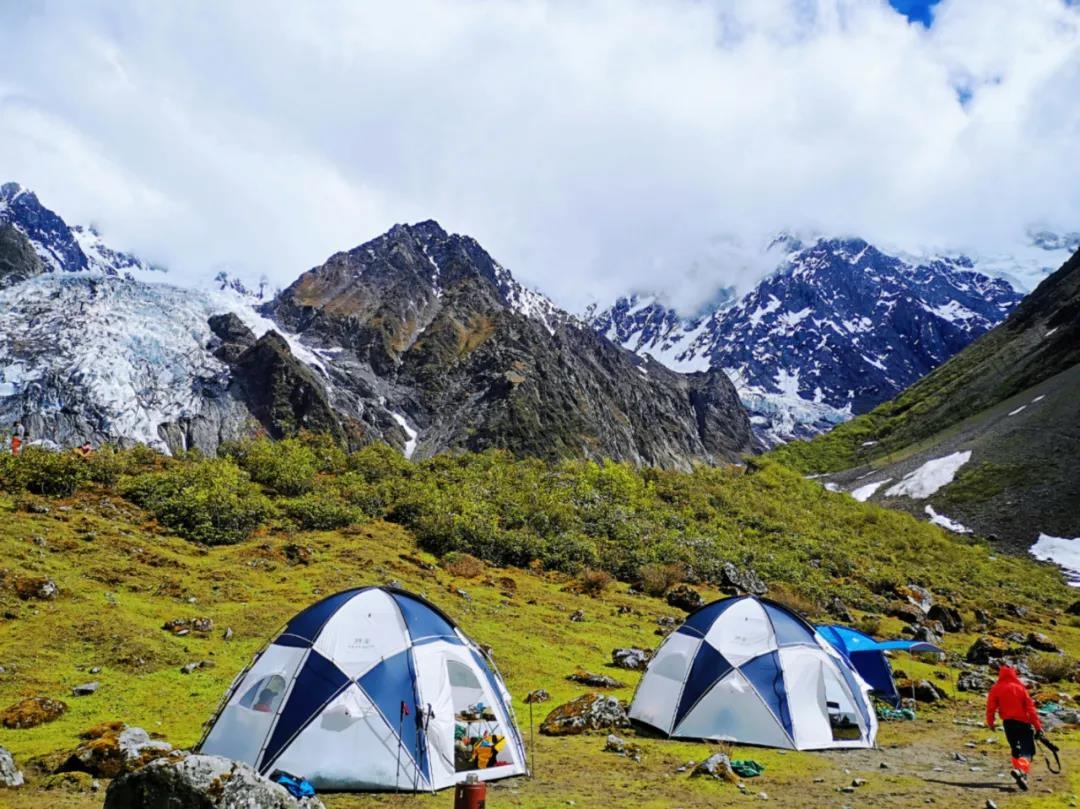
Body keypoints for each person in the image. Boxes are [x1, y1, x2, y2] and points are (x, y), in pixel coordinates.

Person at [986, 665, 1042, 791]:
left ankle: (1021, 775)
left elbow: (990, 707)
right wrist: (1038, 726)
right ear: (1013, 674)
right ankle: (1021, 771)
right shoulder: (1020, 688)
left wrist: (991, 722)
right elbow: (1031, 709)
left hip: (1008, 724)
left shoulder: (996, 688)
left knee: (1015, 748)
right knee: (1028, 751)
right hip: (1023, 723)